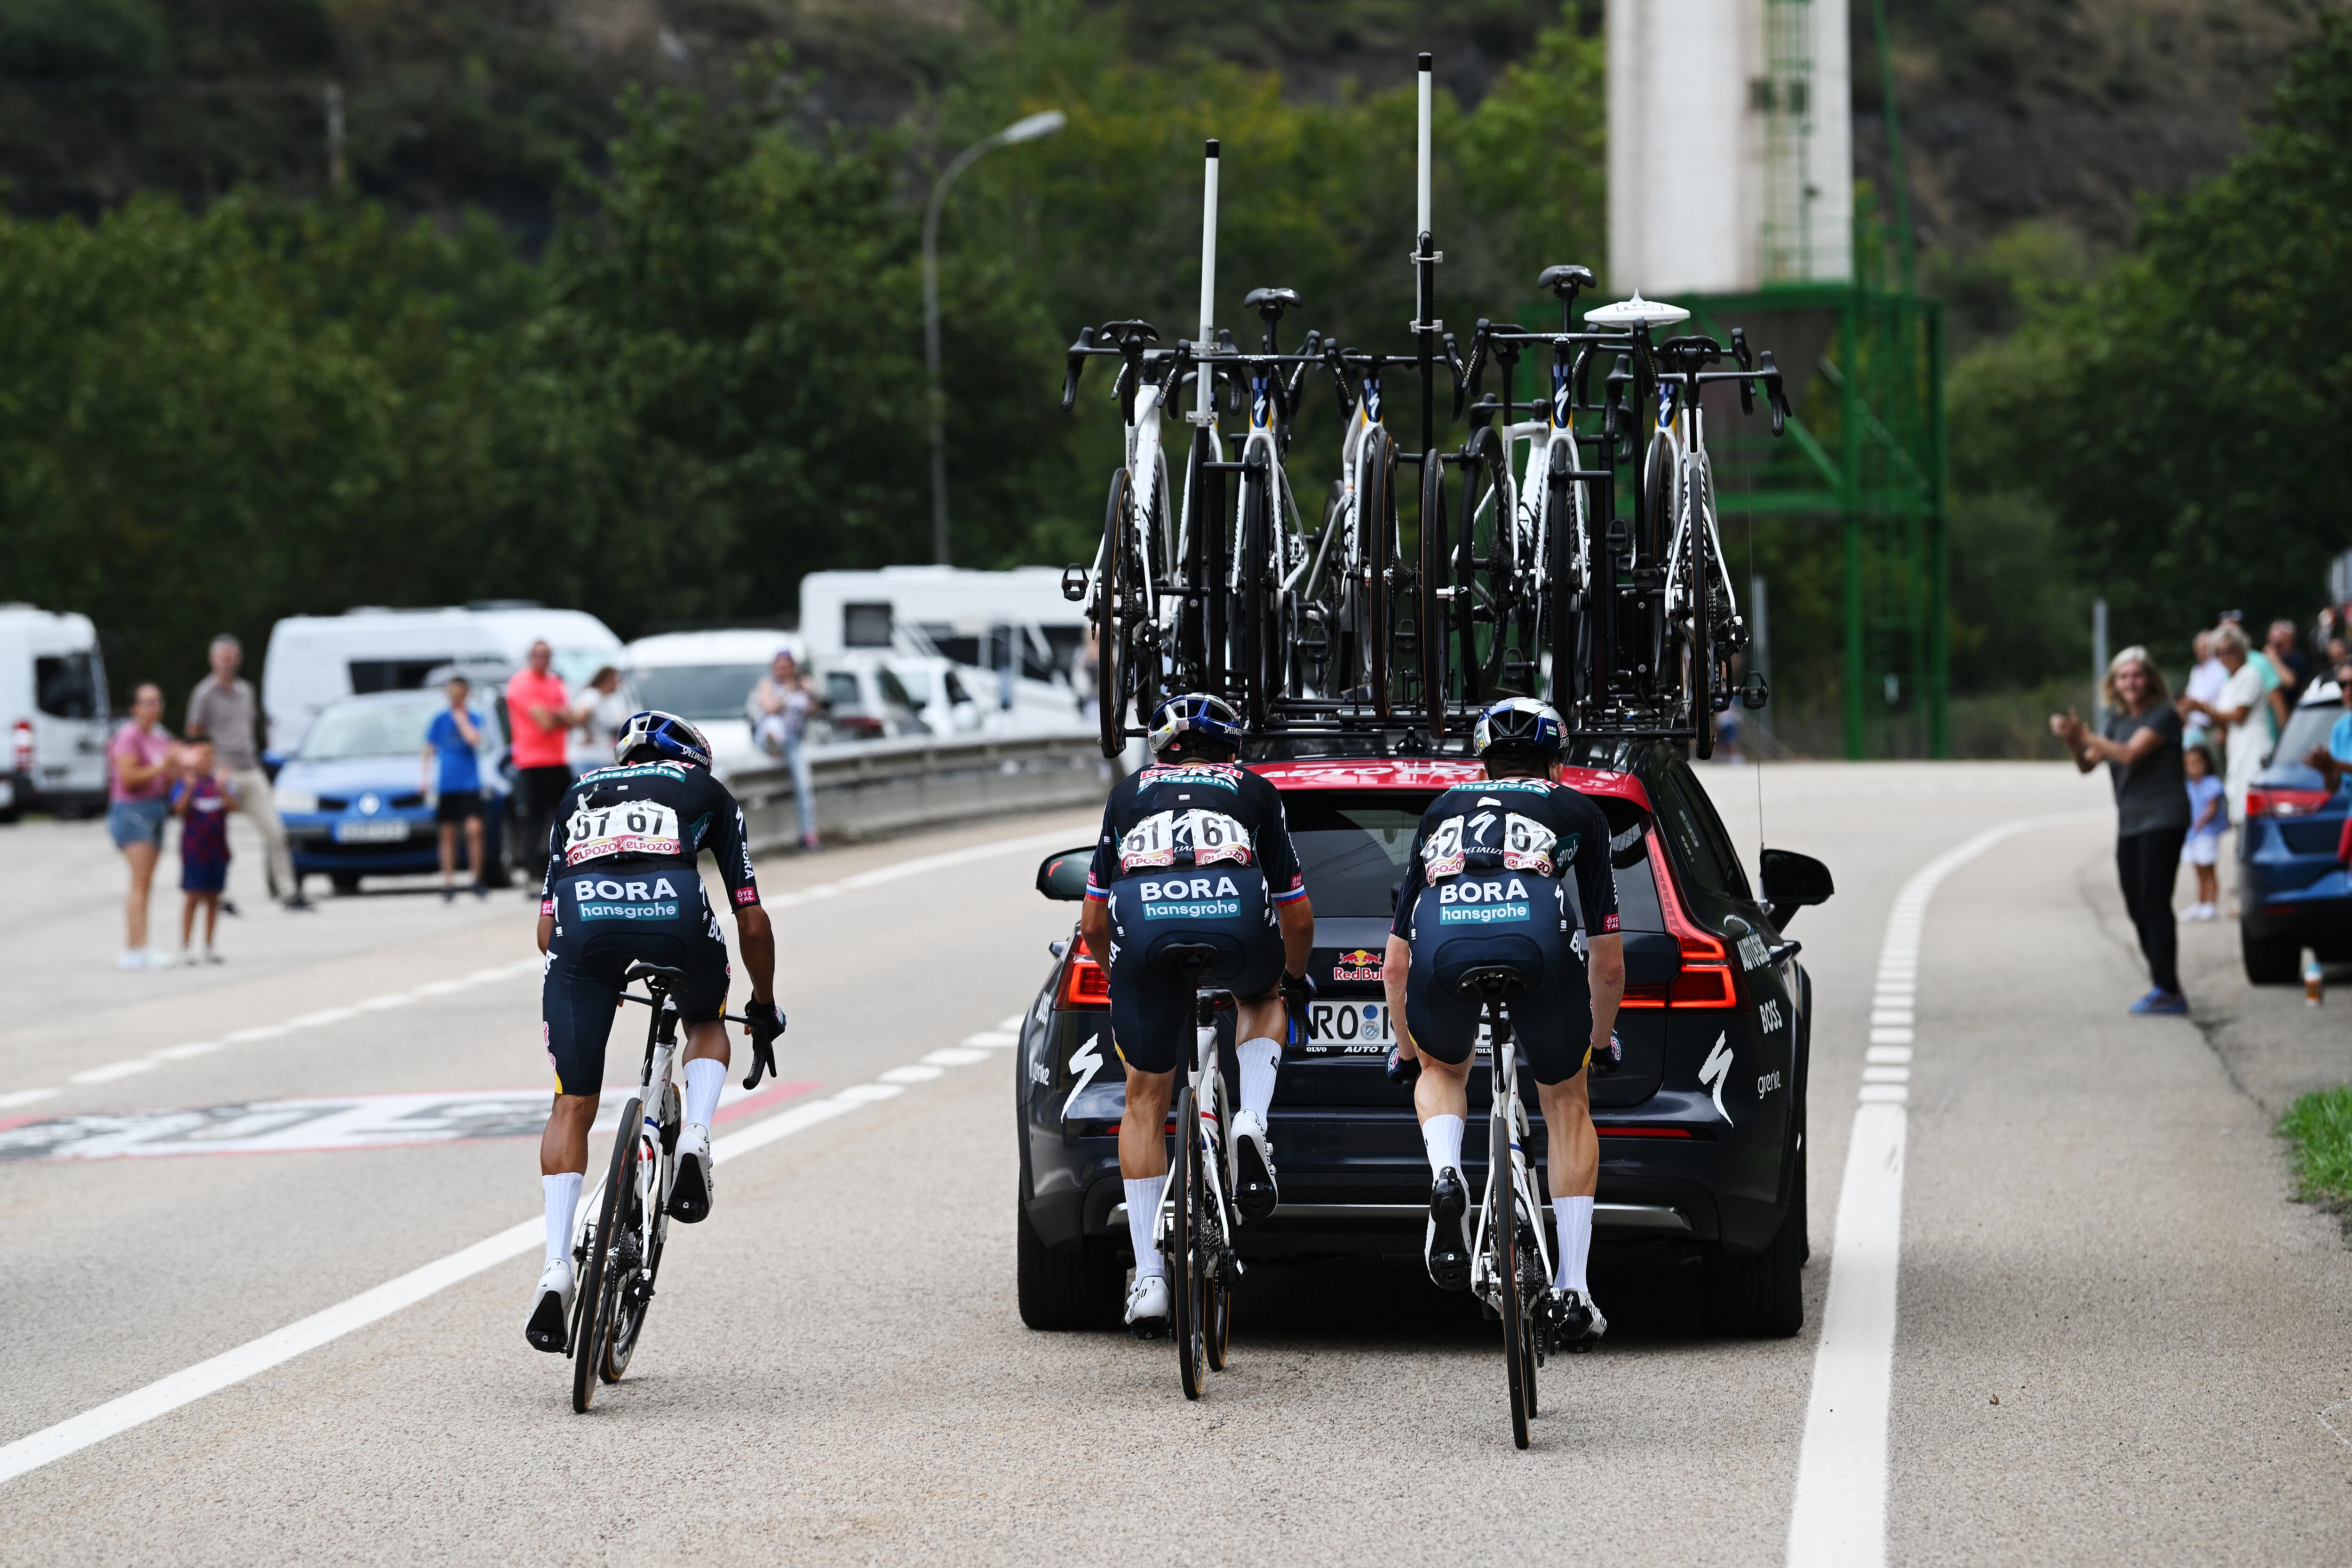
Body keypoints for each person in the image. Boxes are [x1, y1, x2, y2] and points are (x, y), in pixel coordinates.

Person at [525, 710, 785, 1353]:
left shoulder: (577, 793)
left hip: (584, 930)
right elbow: (750, 917)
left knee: (572, 1103)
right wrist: (765, 1003)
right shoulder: (707, 791)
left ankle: (557, 1266)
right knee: (704, 1017)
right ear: (690, 754)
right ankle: (694, 1135)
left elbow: (542, 932)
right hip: (674, 914)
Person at [1379, 697, 1625, 1347]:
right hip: (1538, 942)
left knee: (1443, 1069)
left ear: (1484, 762)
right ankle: (1574, 1288)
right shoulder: (1579, 812)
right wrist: (1598, 1043)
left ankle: (1446, 1174)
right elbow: (1606, 962)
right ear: (1557, 761)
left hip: (1444, 943)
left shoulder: (1442, 811)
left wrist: (1409, 1054)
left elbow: (1395, 965)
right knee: (1566, 1098)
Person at [1077, 693, 1315, 1332]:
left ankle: (1150, 1277)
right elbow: (1297, 911)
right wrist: (1291, 977)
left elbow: (1093, 918)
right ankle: (1252, 1121)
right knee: (1262, 998)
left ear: (1161, 747)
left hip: (1145, 926)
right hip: (1232, 916)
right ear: (1231, 746)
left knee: (1144, 1100)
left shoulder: (1128, 796)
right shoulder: (1253, 789)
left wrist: (1120, 970)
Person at [2051, 646, 2192, 1014]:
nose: (2131, 682)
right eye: (2124, 677)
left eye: (2137, 675)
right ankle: (2165, 983)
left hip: (2164, 817)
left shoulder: (2164, 715)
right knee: (2135, 902)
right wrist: (2072, 737)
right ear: (2114, 683)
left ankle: (2167, 988)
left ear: (2150, 680)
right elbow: (2087, 764)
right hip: (2131, 821)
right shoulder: (2115, 721)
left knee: (2154, 900)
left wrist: (2086, 735)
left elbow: (2129, 754)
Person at [185, 634, 308, 909]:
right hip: (222, 771)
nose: (227, 662)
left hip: (250, 767)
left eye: (231, 656)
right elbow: (194, 732)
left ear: (238, 659)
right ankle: (217, 894)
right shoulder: (204, 694)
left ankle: (288, 891)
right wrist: (209, 763)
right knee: (216, 834)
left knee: (275, 832)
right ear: (213, 660)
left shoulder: (246, 692)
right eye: (222, 657)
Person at [106, 683, 178, 971]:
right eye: (147, 702)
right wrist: (163, 766)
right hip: (132, 810)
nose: (154, 707)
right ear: (135, 708)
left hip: (156, 808)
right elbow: (128, 778)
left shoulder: (159, 737)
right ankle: (135, 948)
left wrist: (175, 768)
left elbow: (167, 778)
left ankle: (141, 945)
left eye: (158, 702)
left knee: (147, 882)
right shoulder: (128, 736)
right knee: (139, 881)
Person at [506, 642, 577, 903]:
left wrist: (558, 716)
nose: (543, 659)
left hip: (557, 759)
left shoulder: (555, 682)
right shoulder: (521, 683)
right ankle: (534, 875)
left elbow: (574, 719)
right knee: (534, 821)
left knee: (568, 816)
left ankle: (567, 868)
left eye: (547, 655)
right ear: (530, 657)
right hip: (531, 762)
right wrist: (559, 716)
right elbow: (547, 723)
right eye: (539, 655)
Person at [2184, 622, 2270, 824]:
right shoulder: (2230, 680)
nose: (2225, 658)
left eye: (2230, 652)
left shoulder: (2250, 674)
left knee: (2250, 798)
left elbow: (2239, 715)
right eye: (2220, 653)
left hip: (2253, 743)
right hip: (2237, 743)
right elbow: (2224, 718)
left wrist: (2204, 709)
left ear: (2241, 651)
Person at [421, 675, 490, 903]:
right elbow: (429, 748)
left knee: (474, 829)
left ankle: (476, 879)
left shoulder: (474, 717)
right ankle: (449, 882)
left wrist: (461, 718)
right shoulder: (439, 719)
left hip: (469, 783)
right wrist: (425, 778)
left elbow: (474, 739)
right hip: (447, 784)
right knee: (448, 833)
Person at [748, 648, 820, 851]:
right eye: (779, 667)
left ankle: (808, 835)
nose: (782, 670)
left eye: (786, 667)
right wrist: (788, 692)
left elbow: (815, 710)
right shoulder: (769, 684)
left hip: (794, 741)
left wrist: (806, 691)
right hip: (771, 735)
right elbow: (769, 708)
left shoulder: (803, 685)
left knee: (804, 787)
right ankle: (773, 745)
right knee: (773, 724)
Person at [170, 738, 235, 964]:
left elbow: (233, 807)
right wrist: (188, 789)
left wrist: (222, 788)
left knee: (213, 898)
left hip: (218, 849)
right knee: (192, 896)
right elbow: (178, 809)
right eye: (202, 755)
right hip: (194, 850)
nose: (208, 760)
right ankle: (186, 947)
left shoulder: (219, 784)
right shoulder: (187, 783)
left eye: (211, 755)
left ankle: (209, 945)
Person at [2180, 741, 2224, 922]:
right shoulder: (2188, 785)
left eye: (2197, 763)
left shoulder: (2212, 783)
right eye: (2189, 764)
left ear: (2206, 763)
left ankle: (2210, 904)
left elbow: (2212, 807)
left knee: (2208, 869)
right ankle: (2201, 902)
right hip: (2192, 834)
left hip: (2206, 833)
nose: (2193, 768)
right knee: (2198, 869)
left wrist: (2201, 821)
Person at [2303, 658, 2352, 795]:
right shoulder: (2340, 727)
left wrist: (2335, 764)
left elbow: (2338, 765)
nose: (2348, 690)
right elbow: (2333, 787)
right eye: (2343, 684)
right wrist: (2326, 770)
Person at [2180, 630, 2225, 750]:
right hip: (2196, 728)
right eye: (2199, 647)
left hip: (2214, 726)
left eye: (2205, 647)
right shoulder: (2196, 670)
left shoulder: (2220, 668)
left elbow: (2223, 697)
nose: (2202, 650)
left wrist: (2222, 727)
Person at [577, 666, 630, 759]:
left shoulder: (612, 699)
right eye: (616, 680)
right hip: (591, 755)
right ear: (607, 680)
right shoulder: (592, 695)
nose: (618, 684)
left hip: (606, 753)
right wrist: (587, 733)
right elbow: (580, 716)